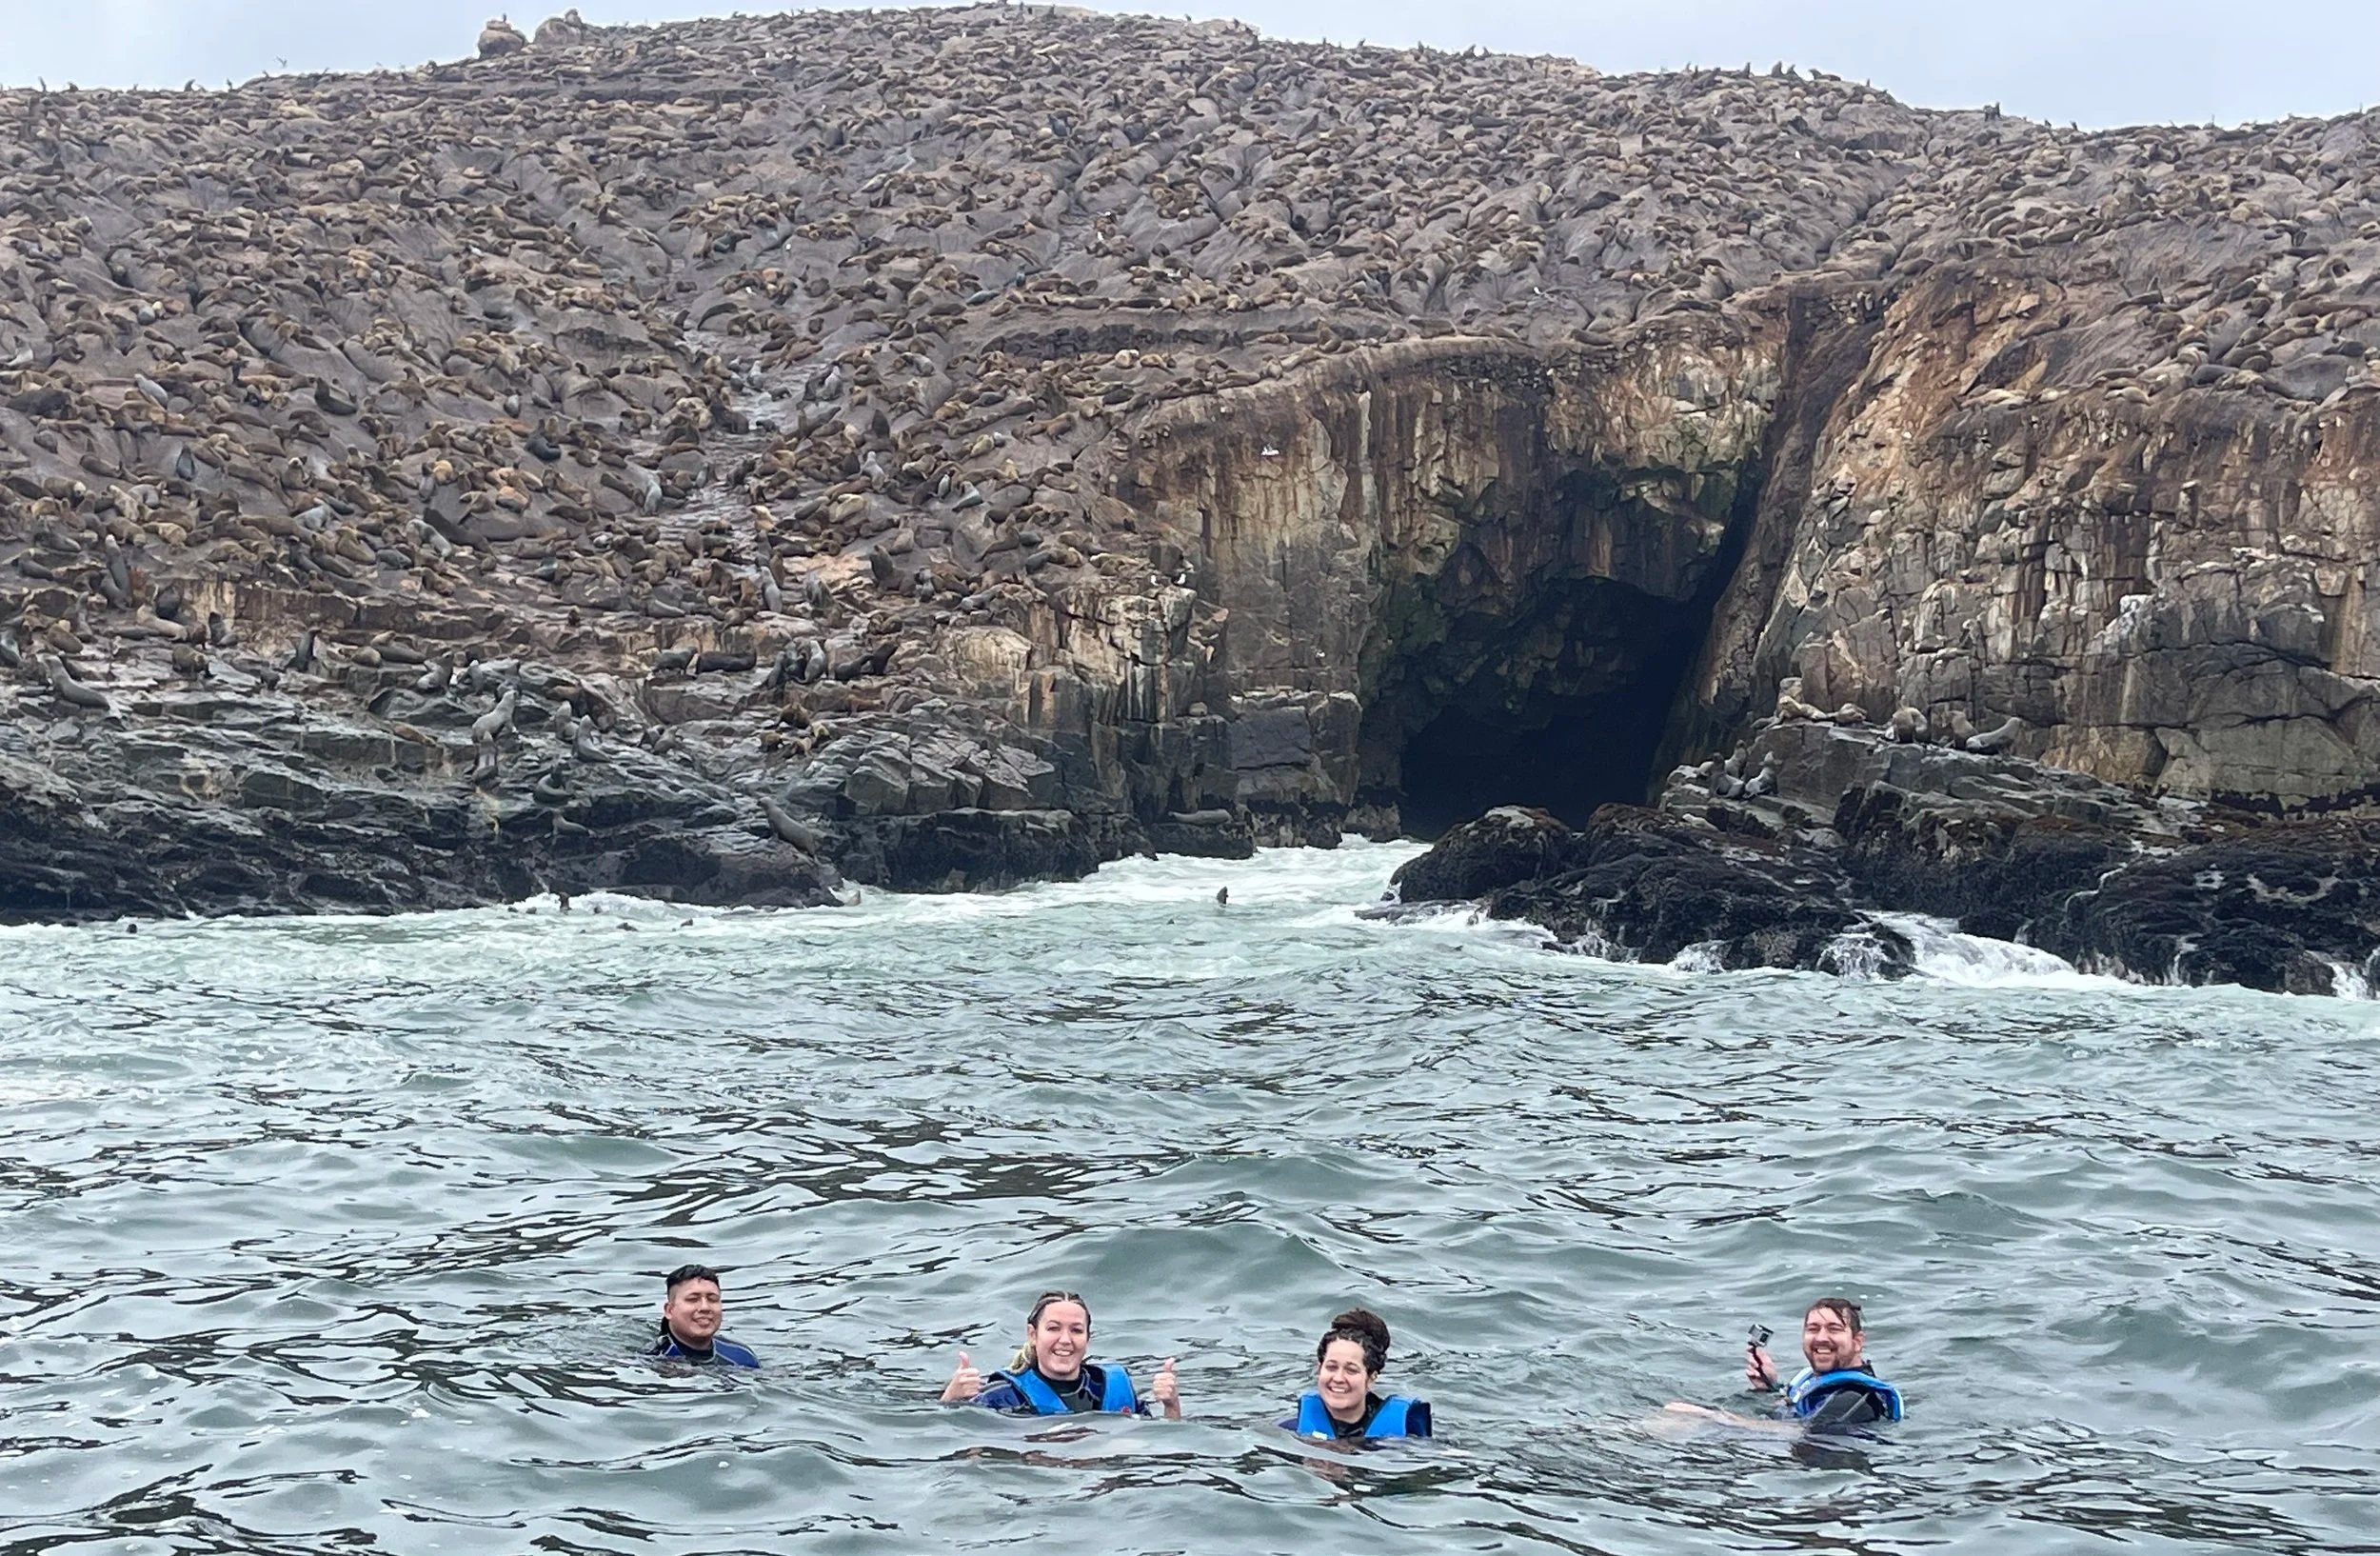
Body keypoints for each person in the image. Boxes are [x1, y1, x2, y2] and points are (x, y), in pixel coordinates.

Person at [940, 1289, 1181, 1418]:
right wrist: (950, 1401)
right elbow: (961, 1448)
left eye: (1076, 1330)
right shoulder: (1002, 1397)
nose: (1065, 1340)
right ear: (1033, 1335)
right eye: (1054, 1328)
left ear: (1088, 1338)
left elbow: (1159, 1448)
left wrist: (1171, 1406)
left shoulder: (1112, 1388)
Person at [1745, 1296, 1903, 1426]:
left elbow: (1804, 1438)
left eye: (1834, 1329)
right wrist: (1768, 1386)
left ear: (1857, 1342)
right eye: (1813, 1329)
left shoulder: (1855, 1398)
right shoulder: (1812, 1379)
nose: (1821, 1338)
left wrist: (1730, 1423)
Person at [1284, 1307, 1432, 1441]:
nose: (1338, 1378)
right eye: (1331, 1367)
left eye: (1351, 1370)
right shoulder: (1289, 1432)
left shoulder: (1408, 1436)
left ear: (1371, 1378)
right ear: (1319, 1369)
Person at [647, 1263, 760, 1367]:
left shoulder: (743, 1357)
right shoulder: (654, 1360)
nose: (705, 1307)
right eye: (693, 1299)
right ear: (669, 1311)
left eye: (712, 1299)